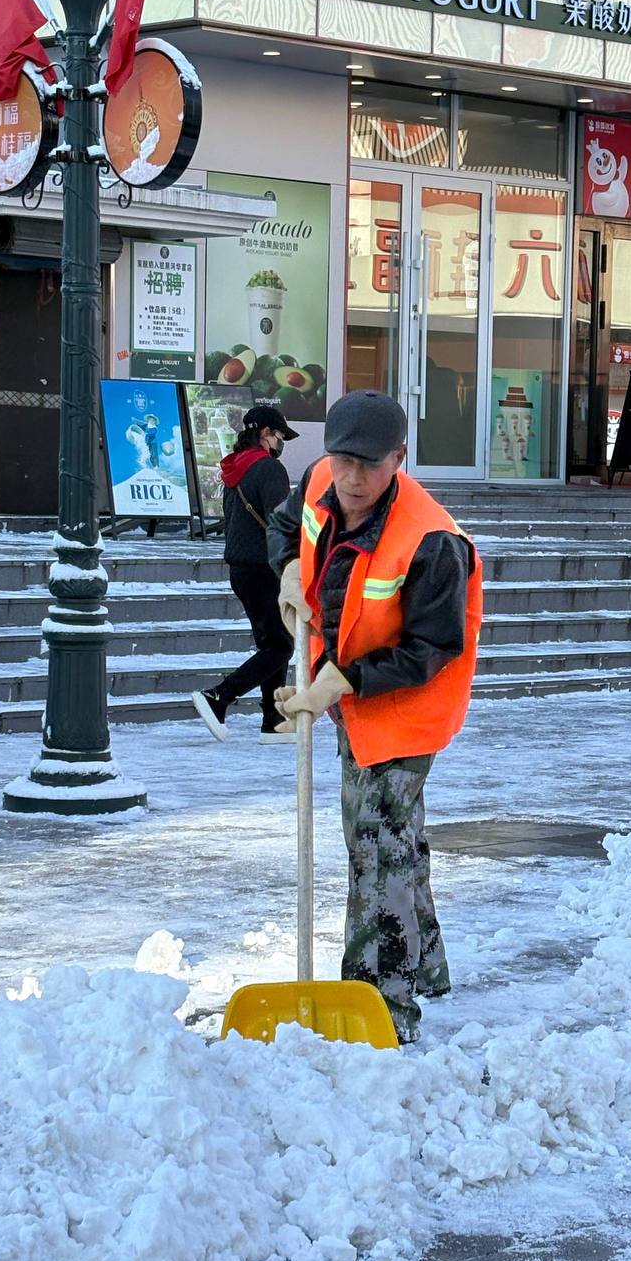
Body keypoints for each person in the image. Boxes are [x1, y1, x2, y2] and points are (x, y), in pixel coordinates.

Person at [267, 389, 483, 1043]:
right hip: (349, 695)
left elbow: (435, 646)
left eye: (369, 464)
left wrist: (344, 679)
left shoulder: (432, 540)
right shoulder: (320, 481)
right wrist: (284, 573)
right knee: (393, 836)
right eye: (342, 461)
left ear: (400, 459)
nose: (353, 479)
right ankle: (427, 966)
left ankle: (383, 1007)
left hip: (409, 706)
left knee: (375, 849)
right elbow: (285, 525)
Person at [192, 403, 299, 743]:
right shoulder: (269, 470)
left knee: (273, 642)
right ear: (265, 433)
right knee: (280, 646)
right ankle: (220, 696)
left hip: (241, 568)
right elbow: (282, 521)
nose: (281, 444)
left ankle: (275, 721)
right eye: (280, 436)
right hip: (267, 568)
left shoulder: (234, 468)